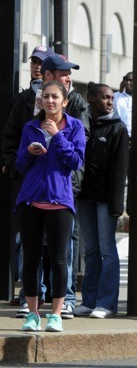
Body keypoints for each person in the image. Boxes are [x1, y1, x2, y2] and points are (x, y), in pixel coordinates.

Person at [16, 80, 86, 332]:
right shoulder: (30, 126)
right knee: (31, 259)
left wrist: (57, 136)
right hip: (30, 200)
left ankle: (55, 314)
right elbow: (20, 164)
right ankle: (32, 313)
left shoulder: (75, 127)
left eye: (55, 97)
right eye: (46, 96)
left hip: (60, 201)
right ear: (40, 100)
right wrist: (30, 152)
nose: (50, 101)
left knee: (59, 259)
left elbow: (75, 162)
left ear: (64, 101)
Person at [3, 45, 55, 317]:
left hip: (55, 183)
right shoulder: (23, 99)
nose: (37, 66)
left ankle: (59, 298)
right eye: (34, 62)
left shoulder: (64, 98)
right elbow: (10, 137)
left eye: (42, 63)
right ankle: (28, 295)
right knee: (28, 240)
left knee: (57, 244)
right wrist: (11, 166)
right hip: (28, 181)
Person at [40, 54, 90, 319]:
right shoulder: (30, 103)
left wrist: (58, 135)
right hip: (35, 187)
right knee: (31, 244)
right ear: (48, 76)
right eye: (63, 72)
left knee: (66, 245)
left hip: (67, 185)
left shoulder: (78, 105)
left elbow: (79, 149)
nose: (68, 76)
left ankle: (66, 298)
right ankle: (33, 299)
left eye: (69, 73)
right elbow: (15, 136)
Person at [74, 83, 129, 319]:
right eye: (105, 97)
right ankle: (90, 299)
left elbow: (120, 172)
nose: (110, 101)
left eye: (112, 98)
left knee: (108, 250)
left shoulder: (117, 128)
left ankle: (107, 303)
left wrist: (117, 205)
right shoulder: (83, 126)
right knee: (91, 250)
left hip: (106, 199)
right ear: (91, 99)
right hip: (85, 196)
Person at [113, 71, 133, 137]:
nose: (128, 82)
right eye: (126, 79)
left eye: (131, 80)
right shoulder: (115, 96)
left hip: (134, 136)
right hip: (118, 135)